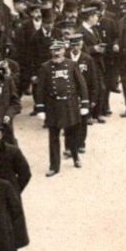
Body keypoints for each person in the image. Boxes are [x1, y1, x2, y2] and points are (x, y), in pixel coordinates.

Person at [33, 40, 88, 175]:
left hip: (70, 104)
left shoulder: (72, 65)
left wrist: (84, 103)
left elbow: (82, 85)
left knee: (73, 133)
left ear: (64, 50)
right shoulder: (45, 67)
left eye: (59, 50)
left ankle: (75, 157)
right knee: (53, 137)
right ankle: (54, 166)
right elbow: (40, 89)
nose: (56, 53)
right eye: (54, 50)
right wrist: (40, 108)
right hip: (53, 106)